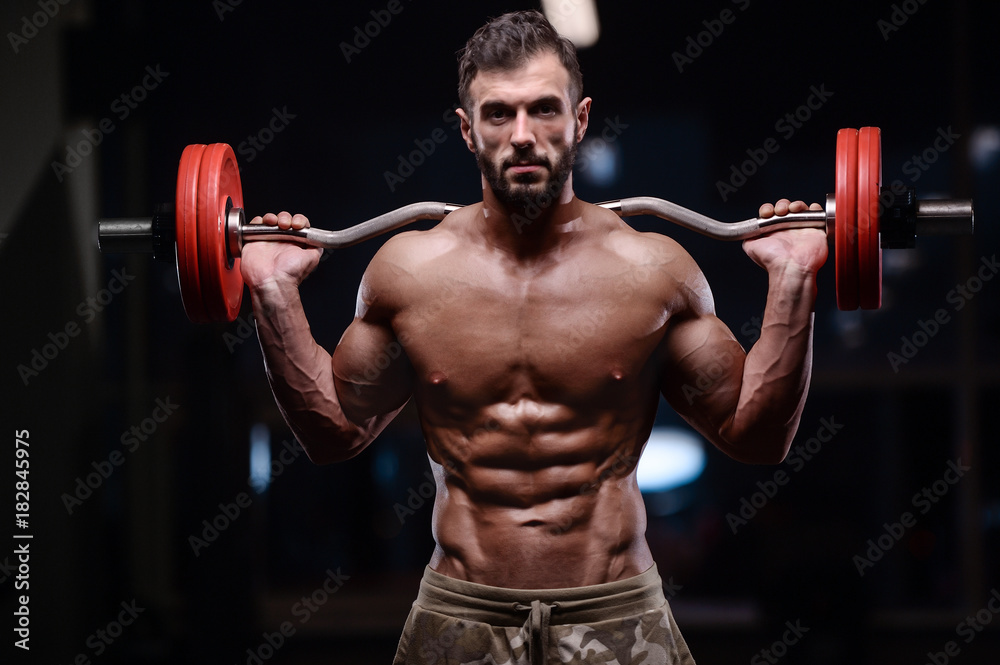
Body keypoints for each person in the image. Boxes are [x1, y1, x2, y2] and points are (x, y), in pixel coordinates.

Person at [240, 10, 826, 665]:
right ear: (467, 130)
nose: (522, 135)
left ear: (579, 120)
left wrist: (793, 278)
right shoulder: (408, 273)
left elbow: (757, 435)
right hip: (463, 613)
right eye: (498, 114)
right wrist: (272, 291)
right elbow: (334, 432)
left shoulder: (653, 272)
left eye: (544, 109)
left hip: (615, 610)